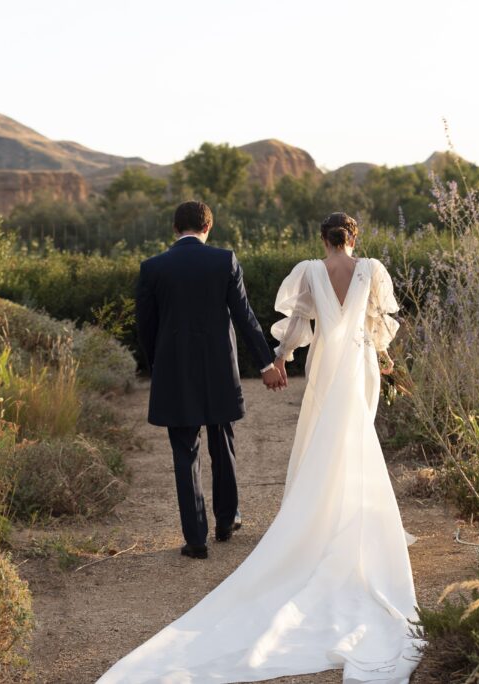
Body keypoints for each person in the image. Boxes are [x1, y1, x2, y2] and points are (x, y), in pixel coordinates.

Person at [102, 211, 422, 683]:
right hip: (355, 368)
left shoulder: (305, 270)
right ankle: (274, 520)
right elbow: (373, 322)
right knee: (349, 439)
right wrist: (385, 360)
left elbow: (292, 323)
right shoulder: (371, 270)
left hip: (316, 365)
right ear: (354, 237)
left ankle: (203, 537)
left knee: (203, 452)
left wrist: (279, 358)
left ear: (322, 238)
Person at [135, 200, 286, 561]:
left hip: (175, 372)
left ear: (175, 229)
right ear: (208, 228)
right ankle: (226, 520)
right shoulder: (224, 261)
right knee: (223, 443)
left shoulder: (153, 267)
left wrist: (159, 368)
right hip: (220, 368)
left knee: (185, 453)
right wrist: (265, 364)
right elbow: (245, 316)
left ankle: (196, 537)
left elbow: (145, 327)